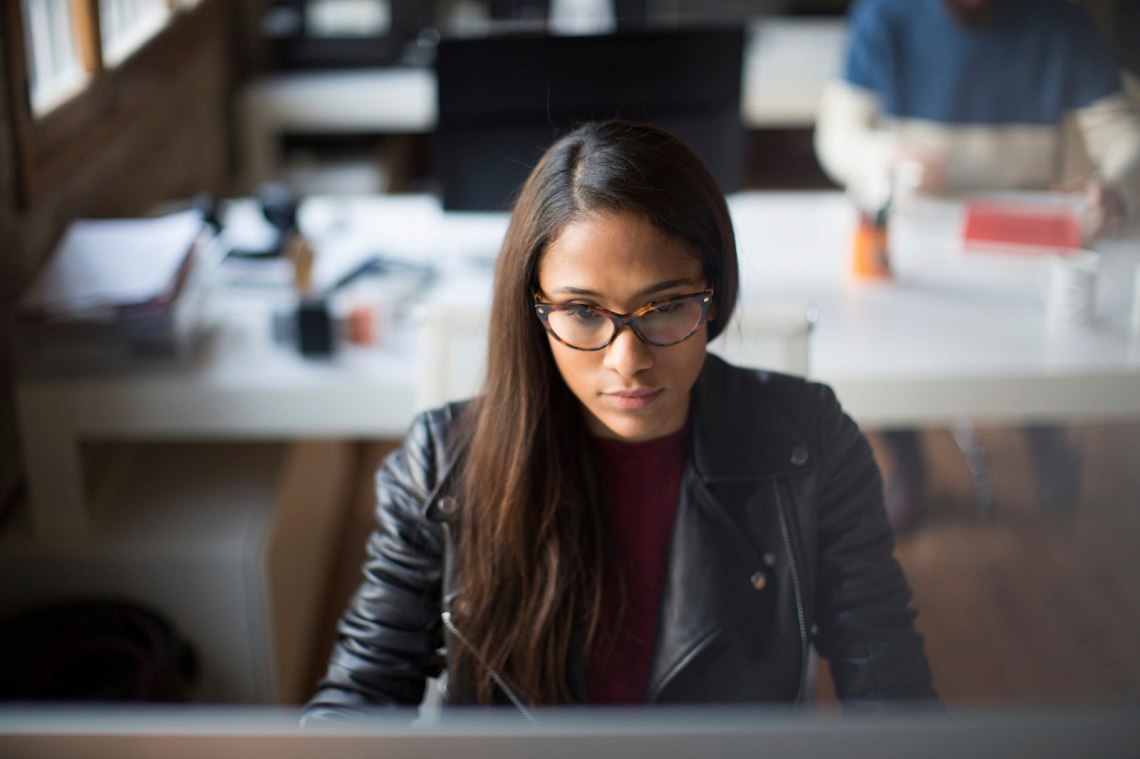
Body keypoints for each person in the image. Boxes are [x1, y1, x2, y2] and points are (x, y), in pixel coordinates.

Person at [303, 120, 935, 721]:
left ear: (713, 294)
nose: (627, 360)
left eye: (664, 307)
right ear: (535, 312)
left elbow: (892, 692)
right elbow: (361, 694)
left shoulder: (810, 441)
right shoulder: (439, 465)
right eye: (582, 312)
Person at [814, 0, 1140, 529]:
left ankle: (1045, 433)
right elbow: (837, 136)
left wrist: (1117, 187)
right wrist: (885, 157)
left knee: (1045, 350)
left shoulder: (1062, 22)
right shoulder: (883, 15)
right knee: (882, 351)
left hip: (1023, 245)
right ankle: (909, 462)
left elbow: (1123, 134)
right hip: (915, 236)